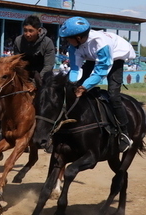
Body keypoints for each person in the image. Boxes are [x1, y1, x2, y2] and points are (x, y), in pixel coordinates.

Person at [59, 16, 136, 152]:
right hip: (92, 57)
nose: (66, 41)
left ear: (79, 37)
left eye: (68, 38)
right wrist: (72, 85)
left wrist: (84, 87)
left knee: (113, 96)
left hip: (116, 57)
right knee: (74, 88)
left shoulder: (101, 43)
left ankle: (125, 133)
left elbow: (101, 71)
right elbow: (76, 69)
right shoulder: (73, 46)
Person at [13, 15, 56, 79]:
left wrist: (37, 80)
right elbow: (17, 62)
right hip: (24, 75)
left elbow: (48, 66)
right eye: (25, 30)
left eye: (31, 31)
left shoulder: (47, 42)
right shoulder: (18, 41)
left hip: (43, 75)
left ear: (39, 31)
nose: (27, 34)